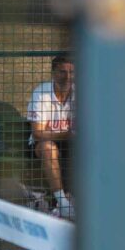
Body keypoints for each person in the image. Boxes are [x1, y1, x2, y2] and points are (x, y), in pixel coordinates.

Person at [27, 55, 76, 217]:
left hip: (70, 143)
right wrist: (67, 134)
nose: (68, 77)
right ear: (54, 73)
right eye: (63, 72)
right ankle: (62, 203)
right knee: (48, 148)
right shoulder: (42, 93)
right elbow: (38, 133)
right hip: (42, 144)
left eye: (72, 72)